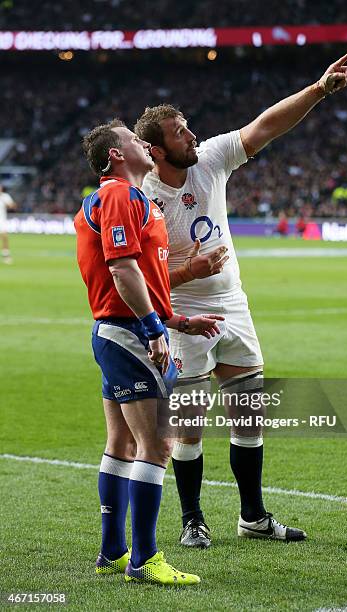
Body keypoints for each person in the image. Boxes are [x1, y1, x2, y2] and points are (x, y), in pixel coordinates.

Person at [135, 50, 347, 548]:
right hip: (183, 316)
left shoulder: (209, 160)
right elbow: (139, 278)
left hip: (231, 303)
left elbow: (264, 128)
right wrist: (189, 268)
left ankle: (252, 516)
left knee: (249, 413)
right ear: (156, 150)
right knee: (189, 428)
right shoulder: (144, 199)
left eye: (189, 127)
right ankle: (192, 519)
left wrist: (318, 90)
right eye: (180, 133)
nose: (192, 136)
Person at [74, 119, 225, 585]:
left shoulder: (129, 199)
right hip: (129, 334)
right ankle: (144, 559)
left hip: (119, 330)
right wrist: (153, 327)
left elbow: (141, 276)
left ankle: (114, 552)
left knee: (121, 443)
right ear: (116, 155)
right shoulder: (118, 194)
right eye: (134, 140)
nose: (143, 144)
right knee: (157, 445)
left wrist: (176, 320)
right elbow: (120, 269)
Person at [0, 184, 17, 264]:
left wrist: (8, 205)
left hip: (1, 220)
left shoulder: (5, 196)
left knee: (4, 237)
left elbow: (13, 206)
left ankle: (6, 255)